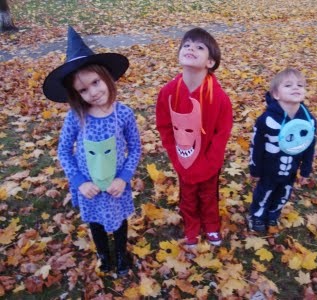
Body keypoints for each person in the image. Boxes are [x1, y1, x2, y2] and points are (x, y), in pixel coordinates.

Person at [42, 26, 141, 276]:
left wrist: (124, 178)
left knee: (119, 222)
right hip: (90, 186)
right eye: (83, 90)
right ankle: (104, 255)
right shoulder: (77, 117)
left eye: (95, 83)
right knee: (96, 222)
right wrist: (78, 182)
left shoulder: (124, 114)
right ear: (76, 94)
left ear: (106, 77)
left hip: (116, 185)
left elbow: (136, 147)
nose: (93, 93)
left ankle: (120, 255)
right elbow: (64, 150)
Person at [156, 27, 233, 247]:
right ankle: (191, 226)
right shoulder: (168, 92)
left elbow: (222, 133)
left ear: (210, 62)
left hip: (209, 162)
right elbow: (164, 126)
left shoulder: (219, 98)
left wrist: (210, 164)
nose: (191, 48)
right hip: (183, 157)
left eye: (200, 47)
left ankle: (211, 225)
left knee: (208, 194)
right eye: (187, 44)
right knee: (187, 195)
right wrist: (175, 155)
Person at [248, 68, 317, 233]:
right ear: (276, 94)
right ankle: (257, 215)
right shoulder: (266, 120)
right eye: (288, 85)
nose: (296, 88)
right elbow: (255, 146)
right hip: (268, 170)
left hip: (291, 170)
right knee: (264, 193)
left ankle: (273, 213)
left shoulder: (308, 121)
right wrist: (254, 169)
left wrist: (305, 171)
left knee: (283, 194)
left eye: (300, 85)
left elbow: (309, 147)